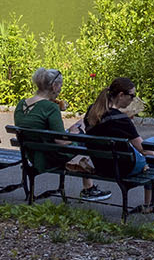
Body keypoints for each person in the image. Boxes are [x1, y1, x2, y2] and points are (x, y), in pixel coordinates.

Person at [12, 67, 111, 203]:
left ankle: (88, 186)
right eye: (60, 87)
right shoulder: (50, 108)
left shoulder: (21, 104)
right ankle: (89, 188)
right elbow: (61, 141)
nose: (60, 91)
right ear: (54, 86)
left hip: (31, 153)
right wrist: (74, 133)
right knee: (85, 134)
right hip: (48, 157)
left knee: (79, 125)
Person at [82, 76, 154, 213]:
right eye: (132, 96)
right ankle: (148, 205)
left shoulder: (93, 111)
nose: (133, 99)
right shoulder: (121, 120)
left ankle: (149, 204)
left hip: (101, 165)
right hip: (123, 168)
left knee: (146, 145)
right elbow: (143, 149)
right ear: (121, 95)